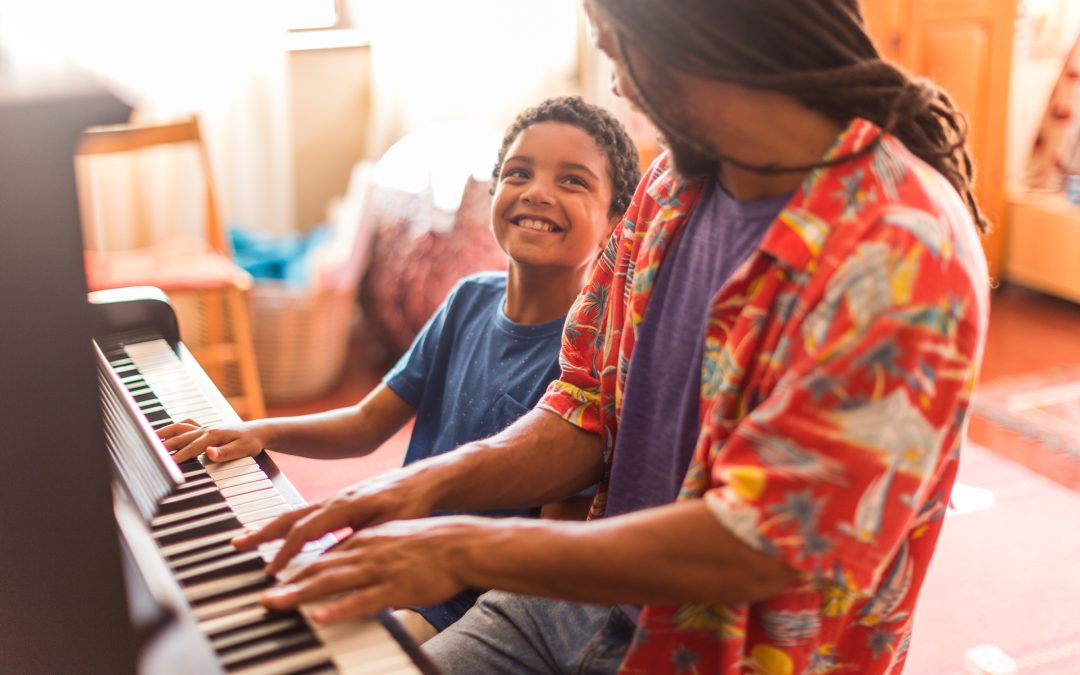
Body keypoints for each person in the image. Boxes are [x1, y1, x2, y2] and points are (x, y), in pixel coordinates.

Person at [229, 1, 991, 672]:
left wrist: (461, 546)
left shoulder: (899, 245)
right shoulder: (669, 188)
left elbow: (755, 544)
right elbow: (586, 406)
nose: (616, 81)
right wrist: (420, 484)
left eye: (615, 41)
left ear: (692, 33)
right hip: (571, 603)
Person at [158, 95, 642, 642]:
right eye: (518, 173)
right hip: (394, 553)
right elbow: (366, 424)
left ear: (616, 224)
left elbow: (548, 553)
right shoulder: (468, 300)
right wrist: (260, 429)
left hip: (465, 600)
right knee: (240, 608)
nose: (537, 191)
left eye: (573, 181)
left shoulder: (587, 360)